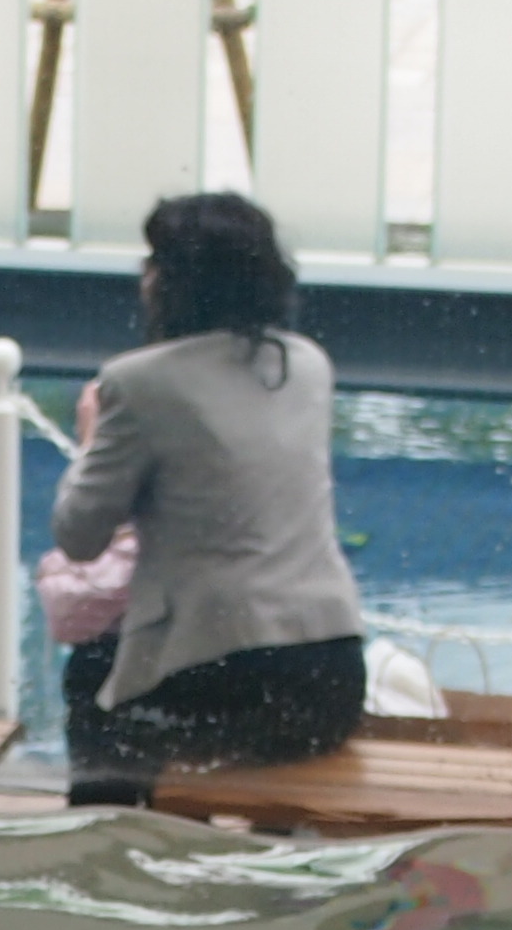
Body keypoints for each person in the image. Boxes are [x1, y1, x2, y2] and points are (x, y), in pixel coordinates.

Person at [48, 193, 365, 805]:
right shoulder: (307, 366)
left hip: (219, 683)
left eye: (154, 263)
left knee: (91, 673)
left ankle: (101, 853)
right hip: (328, 680)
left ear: (173, 281)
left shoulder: (139, 383)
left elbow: (78, 535)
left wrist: (90, 440)